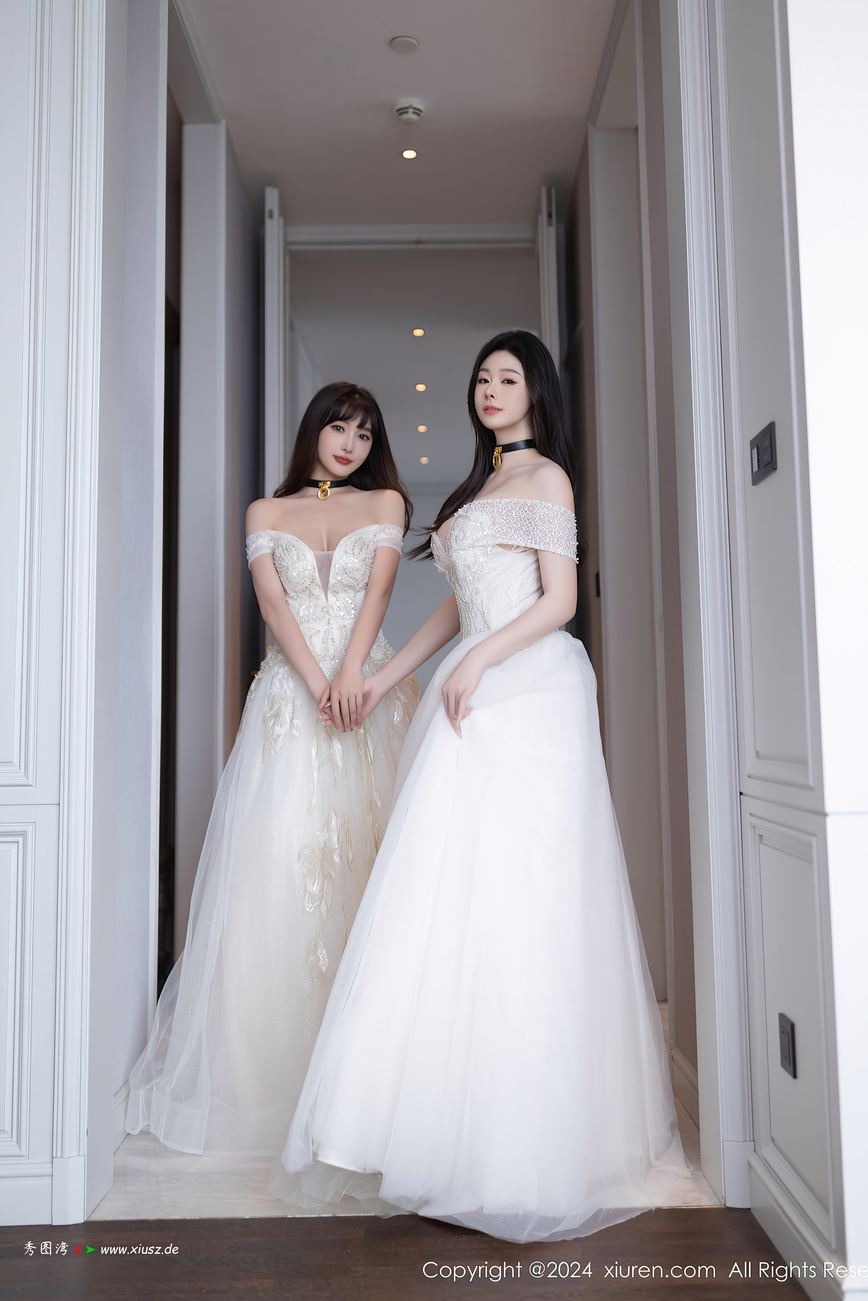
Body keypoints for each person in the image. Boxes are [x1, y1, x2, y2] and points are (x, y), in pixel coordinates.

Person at [269, 331, 690, 1241]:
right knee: (450, 899)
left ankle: (523, 1143)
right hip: (474, 686)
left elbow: (559, 603)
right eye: (483, 378)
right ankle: (439, 1131)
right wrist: (383, 678)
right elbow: (460, 604)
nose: (490, 389)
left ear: (536, 392)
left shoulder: (547, 480)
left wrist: (478, 662)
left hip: (530, 695)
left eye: (508, 377)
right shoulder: (475, 491)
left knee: (524, 902)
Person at [126, 382, 420, 1156]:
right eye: (339, 427)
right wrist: (318, 682)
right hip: (293, 698)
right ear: (314, 430)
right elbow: (273, 605)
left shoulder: (385, 502)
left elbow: (378, 592)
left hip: (368, 689)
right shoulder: (266, 511)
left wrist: (351, 675)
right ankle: (273, 1074)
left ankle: (368, 1080)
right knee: (277, 868)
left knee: (376, 860)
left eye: (365, 432)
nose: (350, 443)